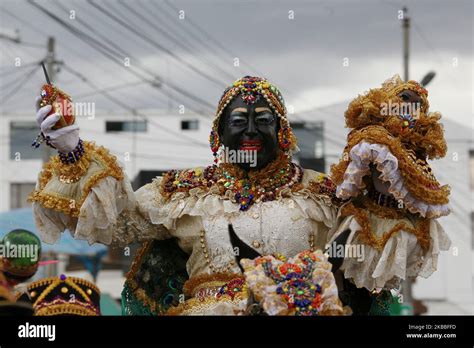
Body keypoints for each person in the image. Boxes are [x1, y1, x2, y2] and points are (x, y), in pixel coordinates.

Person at [29, 76, 339, 315]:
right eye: (239, 121)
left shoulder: (321, 192)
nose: (251, 131)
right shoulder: (185, 190)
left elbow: (368, 245)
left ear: (283, 132)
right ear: (218, 133)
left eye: (263, 121)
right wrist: (73, 152)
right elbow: (116, 224)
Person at [329, 75, 451, 313]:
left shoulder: (416, 154)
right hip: (368, 225)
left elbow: (425, 201)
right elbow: (347, 185)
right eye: (405, 98)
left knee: (383, 294)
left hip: (403, 229)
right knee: (355, 288)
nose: (410, 108)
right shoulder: (373, 140)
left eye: (418, 105)